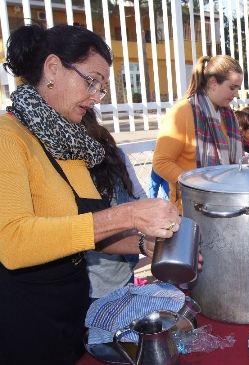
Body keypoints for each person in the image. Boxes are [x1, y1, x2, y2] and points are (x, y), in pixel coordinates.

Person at [0, 23, 181, 364]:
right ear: (53, 69)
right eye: (92, 81)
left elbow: (85, 232)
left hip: (73, 311)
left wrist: (144, 245)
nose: (97, 96)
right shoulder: (8, 137)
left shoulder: (67, 139)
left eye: (102, 88)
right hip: (27, 319)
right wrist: (128, 214)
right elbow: (12, 242)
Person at [153, 55, 244, 213]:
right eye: (232, 87)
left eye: (238, 88)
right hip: (190, 210)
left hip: (224, 206)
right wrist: (196, 185)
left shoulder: (228, 116)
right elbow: (161, 162)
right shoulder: (182, 112)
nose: (236, 94)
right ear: (213, 82)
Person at [81, 110, 148, 303]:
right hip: (88, 281)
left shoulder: (113, 153)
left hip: (121, 269)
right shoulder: (62, 163)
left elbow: (137, 196)